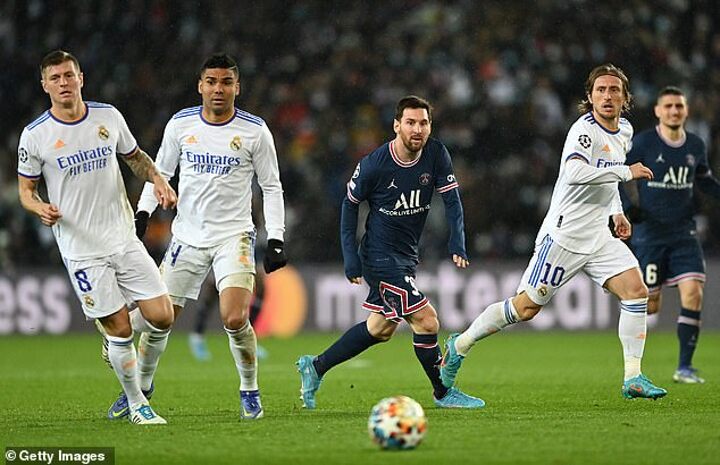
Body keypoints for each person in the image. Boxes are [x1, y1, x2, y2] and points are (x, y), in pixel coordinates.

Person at [441, 64, 668, 401]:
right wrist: (626, 172)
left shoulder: (625, 130)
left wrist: (617, 211)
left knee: (636, 291)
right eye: (601, 90)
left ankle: (633, 377)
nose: (607, 96)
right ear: (590, 96)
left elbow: (604, 179)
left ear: (625, 98)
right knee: (525, 308)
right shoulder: (583, 132)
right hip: (565, 236)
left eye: (614, 90)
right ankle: (459, 345)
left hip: (599, 235)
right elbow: (575, 172)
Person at [17, 50, 177, 425]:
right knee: (122, 329)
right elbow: (26, 191)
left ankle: (111, 337)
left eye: (68, 75)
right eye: (55, 78)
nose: (63, 83)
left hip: (123, 237)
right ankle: (137, 404)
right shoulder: (36, 135)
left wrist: (157, 179)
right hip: (82, 249)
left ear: (81, 78)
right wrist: (38, 207)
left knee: (162, 316)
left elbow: (135, 157)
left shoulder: (107, 116)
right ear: (45, 85)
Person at [125, 53, 287, 420]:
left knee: (234, 317)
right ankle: (142, 389)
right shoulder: (181, 124)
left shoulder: (255, 131)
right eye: (211, 82)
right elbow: (159, 172)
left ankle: (249, 390)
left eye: (226, 82)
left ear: (237, 87)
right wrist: (143, 211)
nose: (218, 89)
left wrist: (276, 237)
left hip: (234, 236)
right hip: (187, 237)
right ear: (200, 86)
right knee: (160, 319)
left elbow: (271, 186)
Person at [297, 95, 485, 409]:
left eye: (423, 123)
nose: (417, 129)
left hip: (406, 256)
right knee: (427, 321)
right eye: (410, 122)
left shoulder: (437, 154)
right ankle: (443, 392)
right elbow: (349, 206)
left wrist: (457, 241)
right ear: (396, 125)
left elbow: (452, 200)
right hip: (378, 256)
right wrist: (350, 256)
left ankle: (315, 367)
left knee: (380, 328)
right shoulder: (375, 164)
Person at [621, 86, 720, 384]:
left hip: (684, 234)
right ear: (658, 111)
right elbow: (617, 175)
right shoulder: (644, 143)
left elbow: (704, 180)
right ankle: (632, 362)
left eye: (679, 106)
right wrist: (628, 207)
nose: (674, 111)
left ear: (686, 111)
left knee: (693, 293)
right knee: (651, 305)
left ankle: (684, 367)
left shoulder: (696, 145)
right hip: (650, 234)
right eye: (668, 106)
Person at [188, 269, 268, 361]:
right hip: (220, 261)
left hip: (248, 260)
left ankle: (248, 340)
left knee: (259, 285)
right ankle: (197, 337)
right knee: (213, 289)